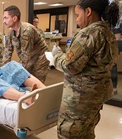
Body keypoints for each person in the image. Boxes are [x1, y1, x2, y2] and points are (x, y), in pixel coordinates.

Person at [52, 0, 119, 138]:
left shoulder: (88, 34)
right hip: (96, 95)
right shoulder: (107, 32)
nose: (77, 19)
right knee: (86, 132)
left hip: (80, 98)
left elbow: (70, 66)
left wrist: (57, 55)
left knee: (68, 132)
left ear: (88, 12)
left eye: (77, 15)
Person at [2, 5, 50, 83]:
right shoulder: (11, 32)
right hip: (29, 58)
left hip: (40, 59)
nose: (4, 21)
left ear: (14, 18)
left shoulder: (27, 30)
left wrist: (15, 73)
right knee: (25, 82)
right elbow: (7, 51)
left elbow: (25, 56)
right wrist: (4, 70)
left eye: (6, 18)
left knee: (36, 84)